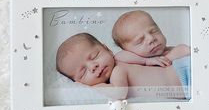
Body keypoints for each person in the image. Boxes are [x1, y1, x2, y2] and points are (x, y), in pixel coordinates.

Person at [56, 33, 190, 100]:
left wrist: (92, 87)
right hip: (184, 82)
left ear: (107, 48)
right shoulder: (119, 68)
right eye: (83, 72)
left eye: (95, 56)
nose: (93, 66)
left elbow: (119, 92)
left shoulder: (118, 70)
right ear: (77, 82)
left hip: (184, 74)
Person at [112, 10, 190, 66]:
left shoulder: (169, 51)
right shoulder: (135, 60)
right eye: (140, 41)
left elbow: (185, 50)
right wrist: (146, 61)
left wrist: (168, 57)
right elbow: (118, 57)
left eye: (153, 31)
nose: (151, 38)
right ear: (127, 50)